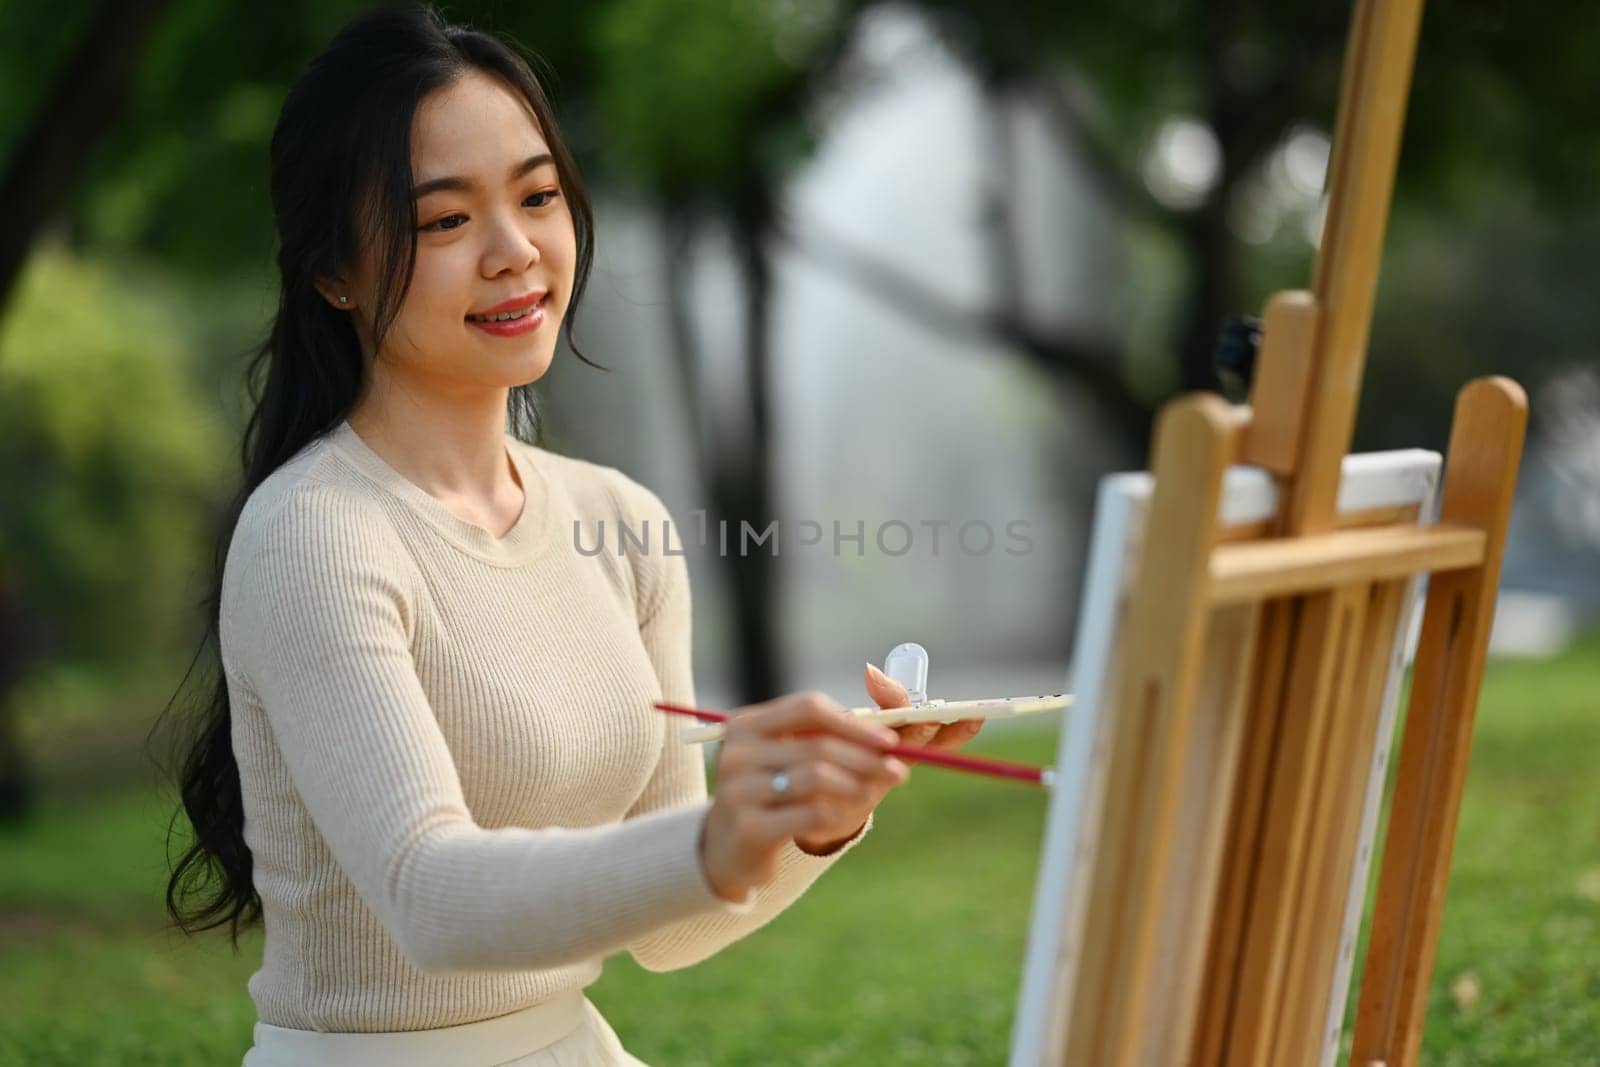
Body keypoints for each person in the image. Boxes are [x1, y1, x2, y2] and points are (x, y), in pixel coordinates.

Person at [161, 6, 984, 1064]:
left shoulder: (620, 524)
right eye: (445, 221)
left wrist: (810, 816)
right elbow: (431, 896)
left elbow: (675, 927)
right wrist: (709, 835)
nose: (515, 252)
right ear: (334, 272)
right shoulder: (314, 537)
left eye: (538, 196)